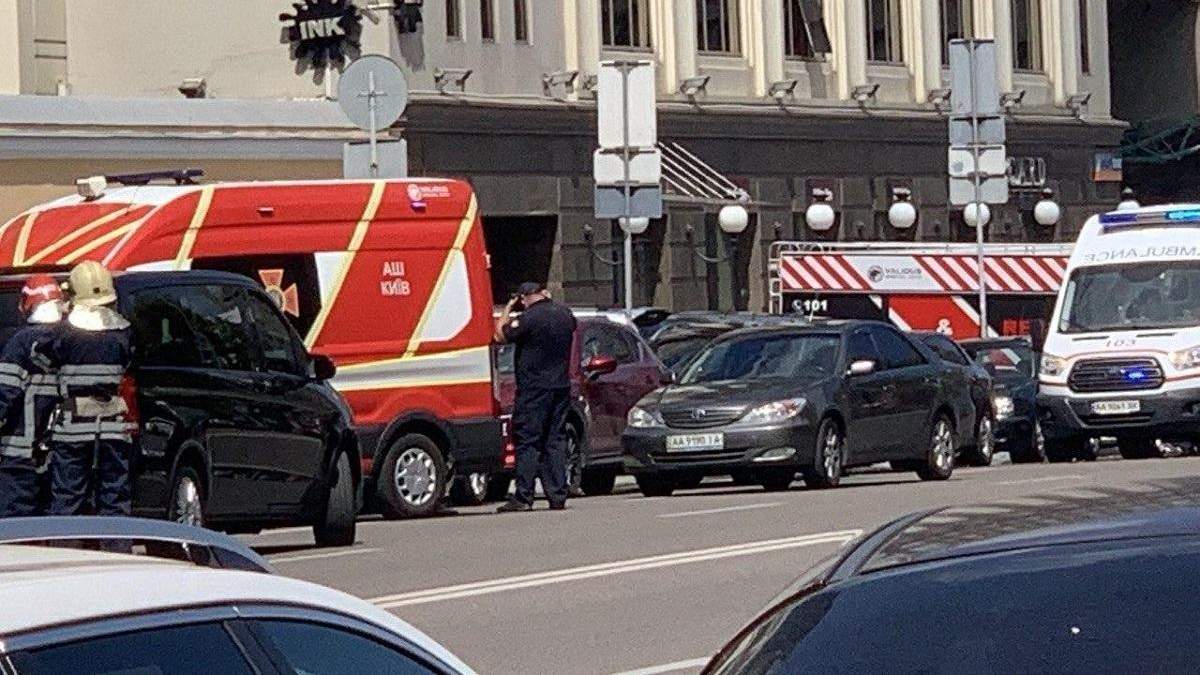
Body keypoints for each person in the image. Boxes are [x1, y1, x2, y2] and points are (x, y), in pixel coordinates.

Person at [45, 261, 134, 517]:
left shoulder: (63, 334)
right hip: (113, 428)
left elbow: (45, 362)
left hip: (72, 428)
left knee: (67, 499)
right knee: (114, 499)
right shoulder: (124, 332)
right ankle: (115, 543)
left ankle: (67, 543)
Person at [494, 282, 577, 512]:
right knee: (555, 439)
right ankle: (557, 495)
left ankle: (524, 496)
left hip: (534, 389)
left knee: (528, 441)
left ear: (523, 298)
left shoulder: (529, 318)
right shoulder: (564, 314)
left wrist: (508, 308)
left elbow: (500, 335)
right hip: (560, 386)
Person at [0, 276, 65, 517]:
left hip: (18, 455)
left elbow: (5, 394)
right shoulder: (71, 341)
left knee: (15, 526)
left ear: (27, 304)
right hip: (59, 454)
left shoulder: (20, 344)